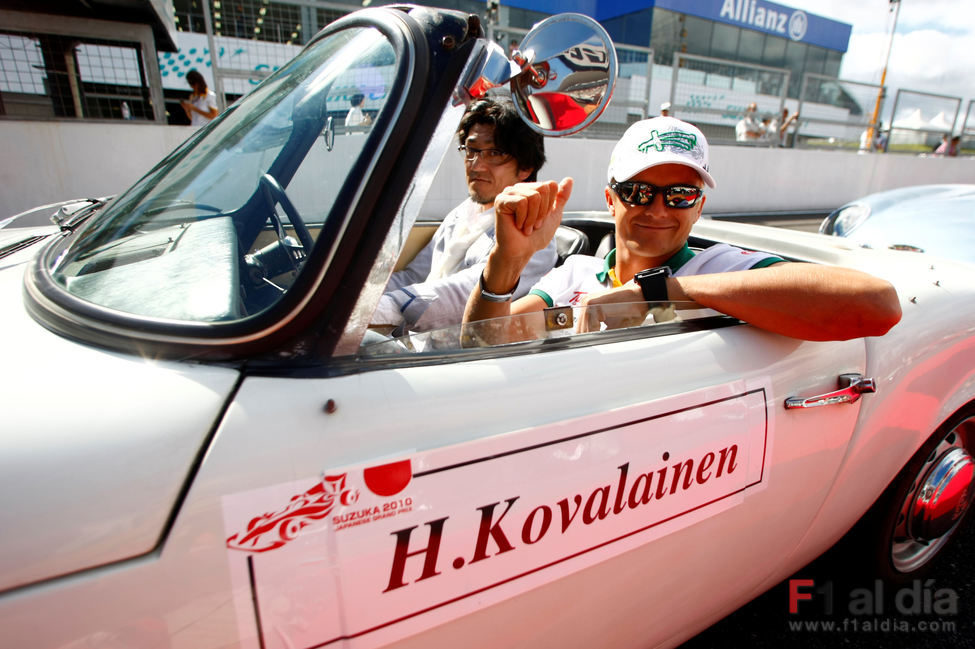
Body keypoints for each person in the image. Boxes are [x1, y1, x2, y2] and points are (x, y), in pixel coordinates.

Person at [463, 116, 902, 343]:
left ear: (699, 209)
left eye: (679, 195)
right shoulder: (577, 273)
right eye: (637, 191)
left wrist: (656, 293)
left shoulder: (722, 268)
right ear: (609, 198)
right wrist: (507, 260)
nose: (657, 207)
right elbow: (480, 346)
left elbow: (877, 305)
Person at [371, 97, 557, 333]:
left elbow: (461, 295)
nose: (476, 165)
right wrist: (361, 297)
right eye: (471, 150)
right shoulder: (463, 213)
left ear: (526, 167)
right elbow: (415, 276)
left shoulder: (533, 232)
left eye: (494, 153)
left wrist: (384, 308)